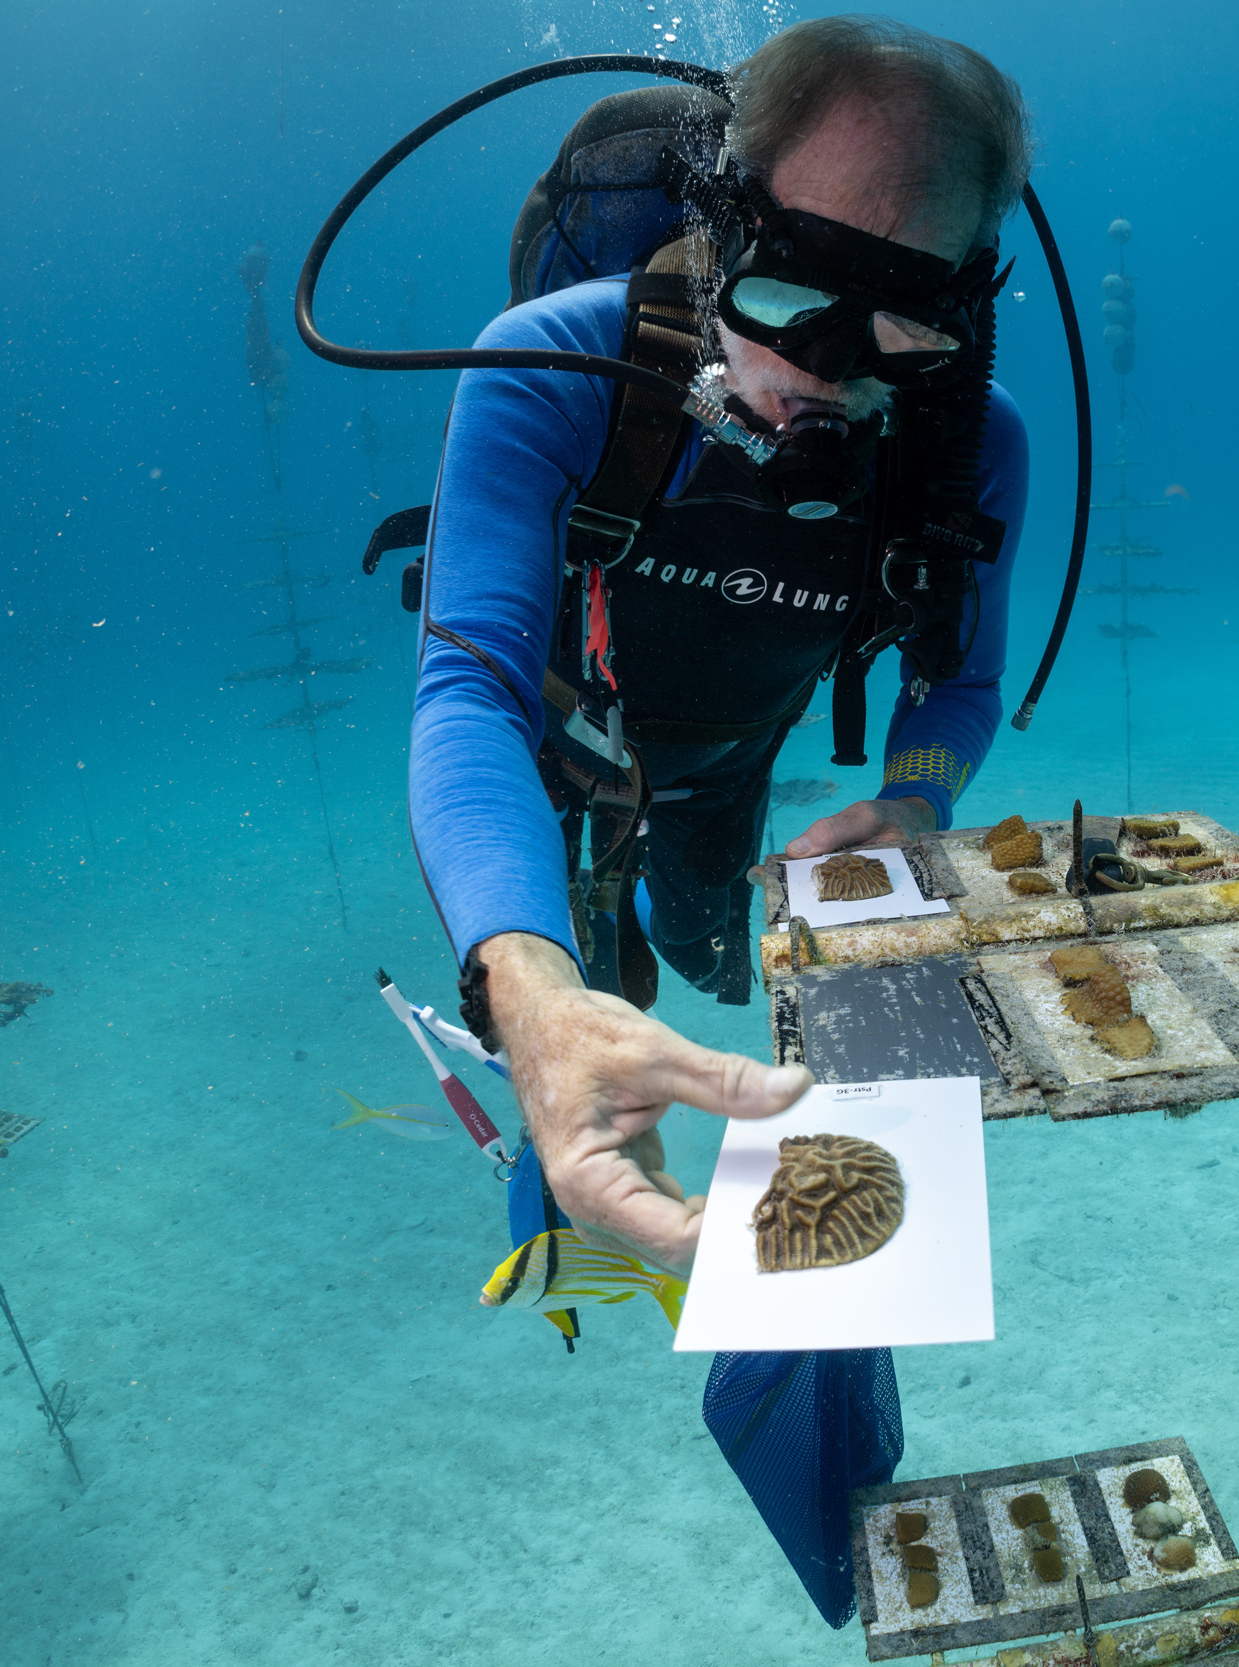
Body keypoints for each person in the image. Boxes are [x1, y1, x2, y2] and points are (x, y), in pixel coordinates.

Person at [408, 17, 1034, 1283]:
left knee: (699, 943)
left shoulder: (969, 441)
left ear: (969, 297)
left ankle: (643, 913)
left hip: (734, 753)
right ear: (729, 229)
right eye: (794, 296)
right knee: (568, 1004)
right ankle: (559, 1094)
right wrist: (528, 991)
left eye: (903, 323)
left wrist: (912, 800)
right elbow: (469, 686)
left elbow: (956, 680)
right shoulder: (555, 365)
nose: (832, 372)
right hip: (552, 738)